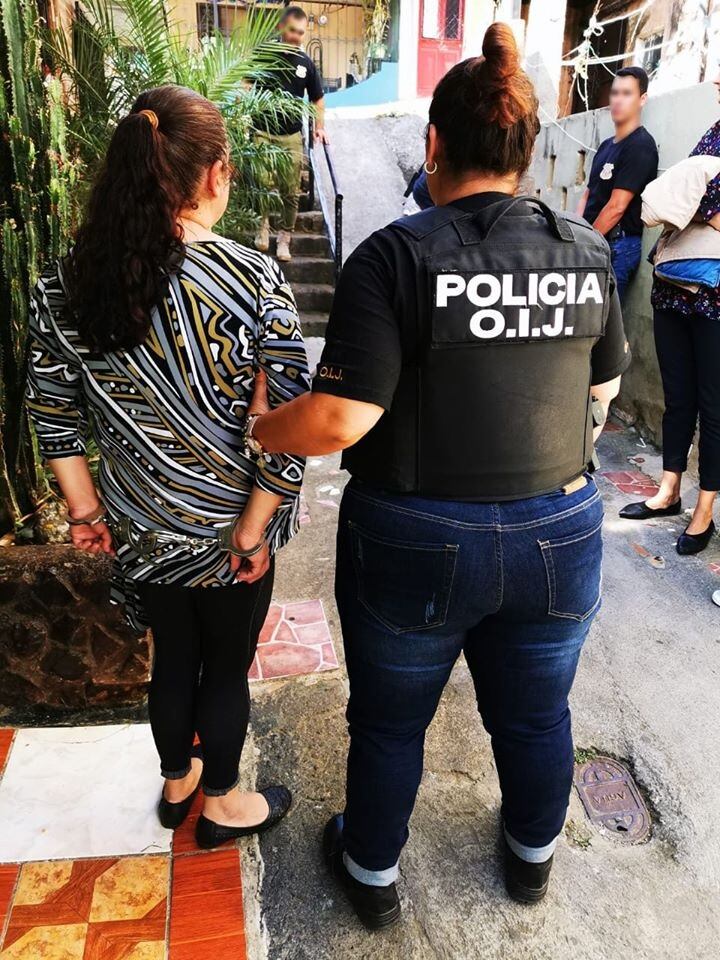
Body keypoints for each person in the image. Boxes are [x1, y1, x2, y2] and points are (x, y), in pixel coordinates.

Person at [242, 23, 631, 927]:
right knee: (537, 715)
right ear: (526, 152)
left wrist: (260, 428)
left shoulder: (394, 255)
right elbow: (603, 389)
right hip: (558, 528)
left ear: (434, 144)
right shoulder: (582, 249)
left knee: (391, 721)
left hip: (415, 536)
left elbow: (340, 418)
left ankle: (373, 869)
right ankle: (532, 858)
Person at [26, 85, 310, 848]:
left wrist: (85, 515)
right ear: (215, 174)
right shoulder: (254, 279)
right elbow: (291, 424)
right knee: (225, 669)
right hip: (231, 533)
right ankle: (221, 803)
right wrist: (252, 529)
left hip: (141, 530)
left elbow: (53, 415)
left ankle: (177, 783)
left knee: (173, 660)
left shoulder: (66, 282)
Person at [618, 72, 720, 555]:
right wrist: (698, 204)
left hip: (715, 295)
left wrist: (692, 200)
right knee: (678, 397)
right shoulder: (713, 132)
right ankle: (668, 490)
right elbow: (676, 199)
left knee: (713, 405)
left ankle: (705, 512)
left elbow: (689, 197)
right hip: (673, 287)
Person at [577, 66, 658, 302]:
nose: (618, 100)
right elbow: (588, 195)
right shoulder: (605, 146)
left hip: (617, 246)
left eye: (627, 93)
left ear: (642, 99)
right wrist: (576, 235)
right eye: (615, 93)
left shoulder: (641, 145)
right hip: (593, 241)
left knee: (601, 319)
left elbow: (617, 207)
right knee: (582, 317)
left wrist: (585, 244)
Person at [254, 5, 327, 262]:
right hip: (262, 131)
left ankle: (285, 237)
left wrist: (319, 127)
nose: (296, 36)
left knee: (290, 189)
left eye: (301, 32)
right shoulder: (263, 54)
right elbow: (245, 84)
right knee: (261, 182)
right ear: (281, 27)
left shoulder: (306, 63)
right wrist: (242, 116)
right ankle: (262, 227)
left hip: (292, 135)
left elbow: (317, 98)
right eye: (292, 30)